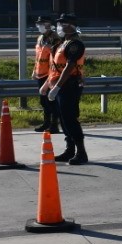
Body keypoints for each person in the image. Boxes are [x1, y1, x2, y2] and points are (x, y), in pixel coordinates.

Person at [40, 12, 87, 165]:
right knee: (63, 120)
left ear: (71, 26)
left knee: (70, 119)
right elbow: (54, 67)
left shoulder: (75, 44)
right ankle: (69, 150)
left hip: (69, 85)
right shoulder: (61, 43)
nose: (59, 26)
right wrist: (47, 85)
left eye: (62, 23)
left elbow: (69, 66)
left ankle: (81, 152)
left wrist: (57, 87)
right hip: (58, 85)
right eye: (59, 23)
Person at [31, 14, 61, 133]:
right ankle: (46, 123)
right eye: (38, 24)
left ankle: (54, 125)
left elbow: (56, 59)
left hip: (50, 74)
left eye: (42, 24)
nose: (39, 26)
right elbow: (38, 56)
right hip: (40, 73)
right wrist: (35, 70)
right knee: (43, 101)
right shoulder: (40, 38)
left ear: (49, 24)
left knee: (51, 101)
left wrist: (51, 76)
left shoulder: (55, 38)